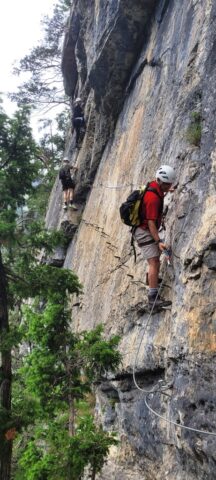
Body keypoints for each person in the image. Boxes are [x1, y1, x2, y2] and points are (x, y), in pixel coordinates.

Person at [134, 165, 176, 308]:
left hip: (143, 228)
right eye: (167, 185)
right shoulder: (153, 199)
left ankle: (150, 279)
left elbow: (158, 193)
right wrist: (158, 241)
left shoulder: (154, 186)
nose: (169, 186)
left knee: (155, 259)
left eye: (169, 184)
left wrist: (167, 191)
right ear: (160, 181)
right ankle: (153, 298)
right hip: (144, 231)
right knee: (154, 262)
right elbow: (151, 223)